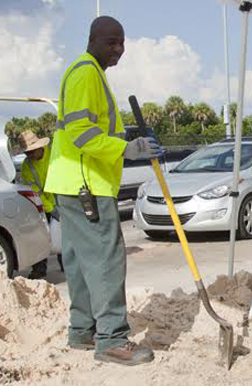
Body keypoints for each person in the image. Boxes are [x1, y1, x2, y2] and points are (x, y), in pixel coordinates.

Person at [44, 16, 161, 366]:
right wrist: (125, 149)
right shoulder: (85, 72)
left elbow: (91, 129)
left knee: (80, 261)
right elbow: (81, 131)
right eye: (111, 42)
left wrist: (129, 140)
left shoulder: (89, 73)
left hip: (71, 182)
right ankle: (111, 338)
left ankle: (82, 330)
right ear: (93, 39)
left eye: (122, 43)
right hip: (86, 183)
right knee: (107, 259)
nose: (118, 50)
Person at [19, 130, 61, 279]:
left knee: (64, 235)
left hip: (62, 197)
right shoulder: (26, 166)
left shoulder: (55, 154)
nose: (28, 155)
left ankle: (67, 264)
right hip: (42, 203)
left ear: (39, 147)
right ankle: (39, 268)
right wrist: (51, 208)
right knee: (38, 236)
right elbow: (35, 191)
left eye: (31, 152)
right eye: (26, 153)